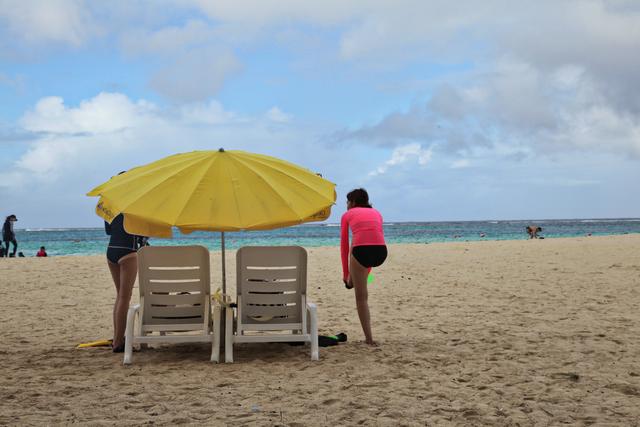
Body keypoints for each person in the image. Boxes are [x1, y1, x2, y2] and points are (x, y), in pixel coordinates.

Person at [340, 188, 387, 345]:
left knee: (361, 298)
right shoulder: (377, 213)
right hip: (381, 252)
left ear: (353, 202)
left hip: (361, 252)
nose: (346, 205)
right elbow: (373, 237)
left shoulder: (347, 215)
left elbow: (344, 246)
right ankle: (356, 278)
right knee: (359, 242)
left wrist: (345, 273)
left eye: (347, 202)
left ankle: (369, 339)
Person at [105, 212, 147, 353]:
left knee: (120, 296)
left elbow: (108, 231)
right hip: (128, 250)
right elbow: (141, 232)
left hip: (111, 250)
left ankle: (117, 337)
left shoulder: (113, 207)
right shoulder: (136, 207)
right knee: (125, 297)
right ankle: (118, 343)